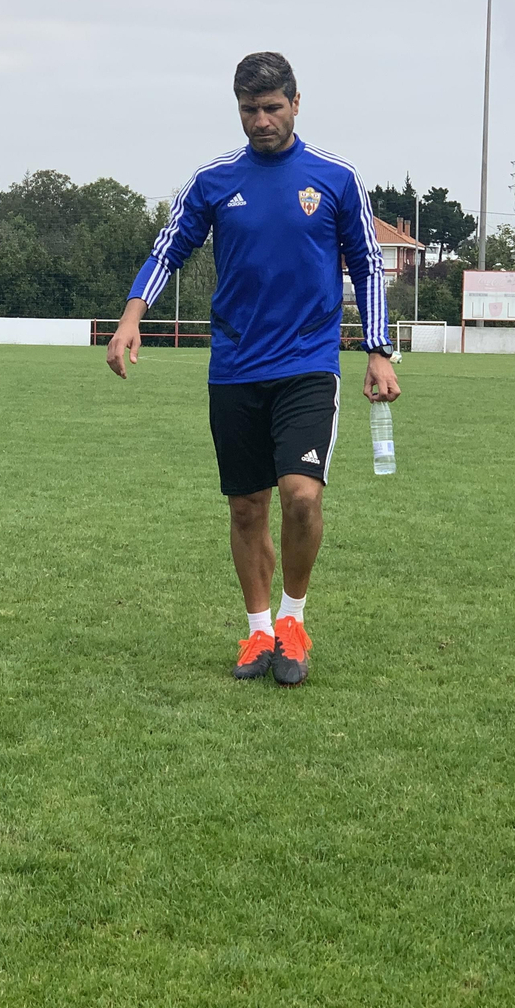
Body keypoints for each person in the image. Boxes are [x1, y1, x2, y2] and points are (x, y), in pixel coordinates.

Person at [105, 52, 400, 686]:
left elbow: (369, 265)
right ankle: (258, 631)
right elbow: (169, 248)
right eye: (249, 110)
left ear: (296, 103)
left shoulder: (336, 178)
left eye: (271, 108)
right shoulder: (213, 181)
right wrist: (132, 317)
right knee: (246, 508)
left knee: (300, 497)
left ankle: (294, 621)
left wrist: (378, 349)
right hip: (235, 365)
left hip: (308, 363)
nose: (261, 121)